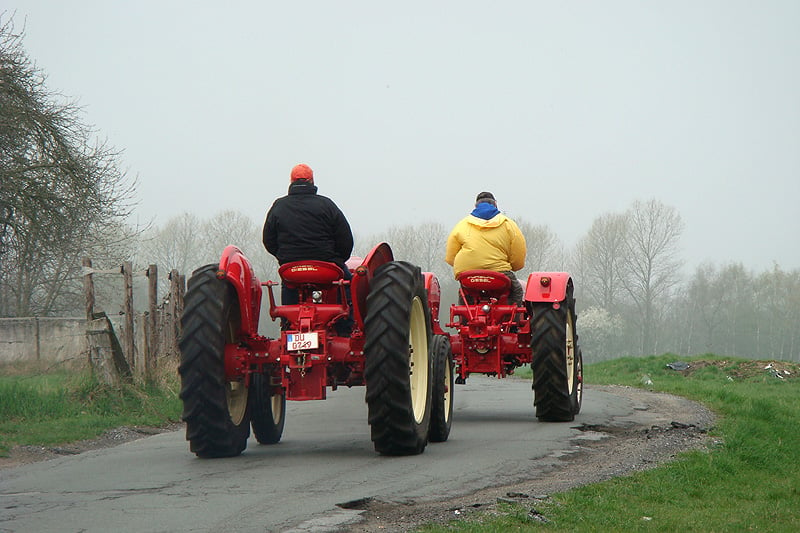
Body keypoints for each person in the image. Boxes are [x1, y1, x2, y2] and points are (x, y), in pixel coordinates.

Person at [263, 164, 354, 313]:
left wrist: (284, 258)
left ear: (291, 182)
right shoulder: (326, 204)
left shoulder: (279, 206)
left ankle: (288, 322)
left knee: (288, 284)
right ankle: (347, 325)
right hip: (326, 266)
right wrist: (337, 260)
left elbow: (268, 239)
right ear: (312, 181)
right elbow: (345, 238)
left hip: (292, 268)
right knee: (349, 283)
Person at [445, 191, 526, 305]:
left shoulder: (462, 224)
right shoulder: (508, 224)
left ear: (475, 205)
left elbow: (450, 257)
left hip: (469, 276)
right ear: (495, 204)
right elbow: (518, 255)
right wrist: (514, 266)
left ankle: (465, 318)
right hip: (499, 274)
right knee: (517, 290)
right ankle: (513, 317)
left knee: (465, 292)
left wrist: (470, 265)